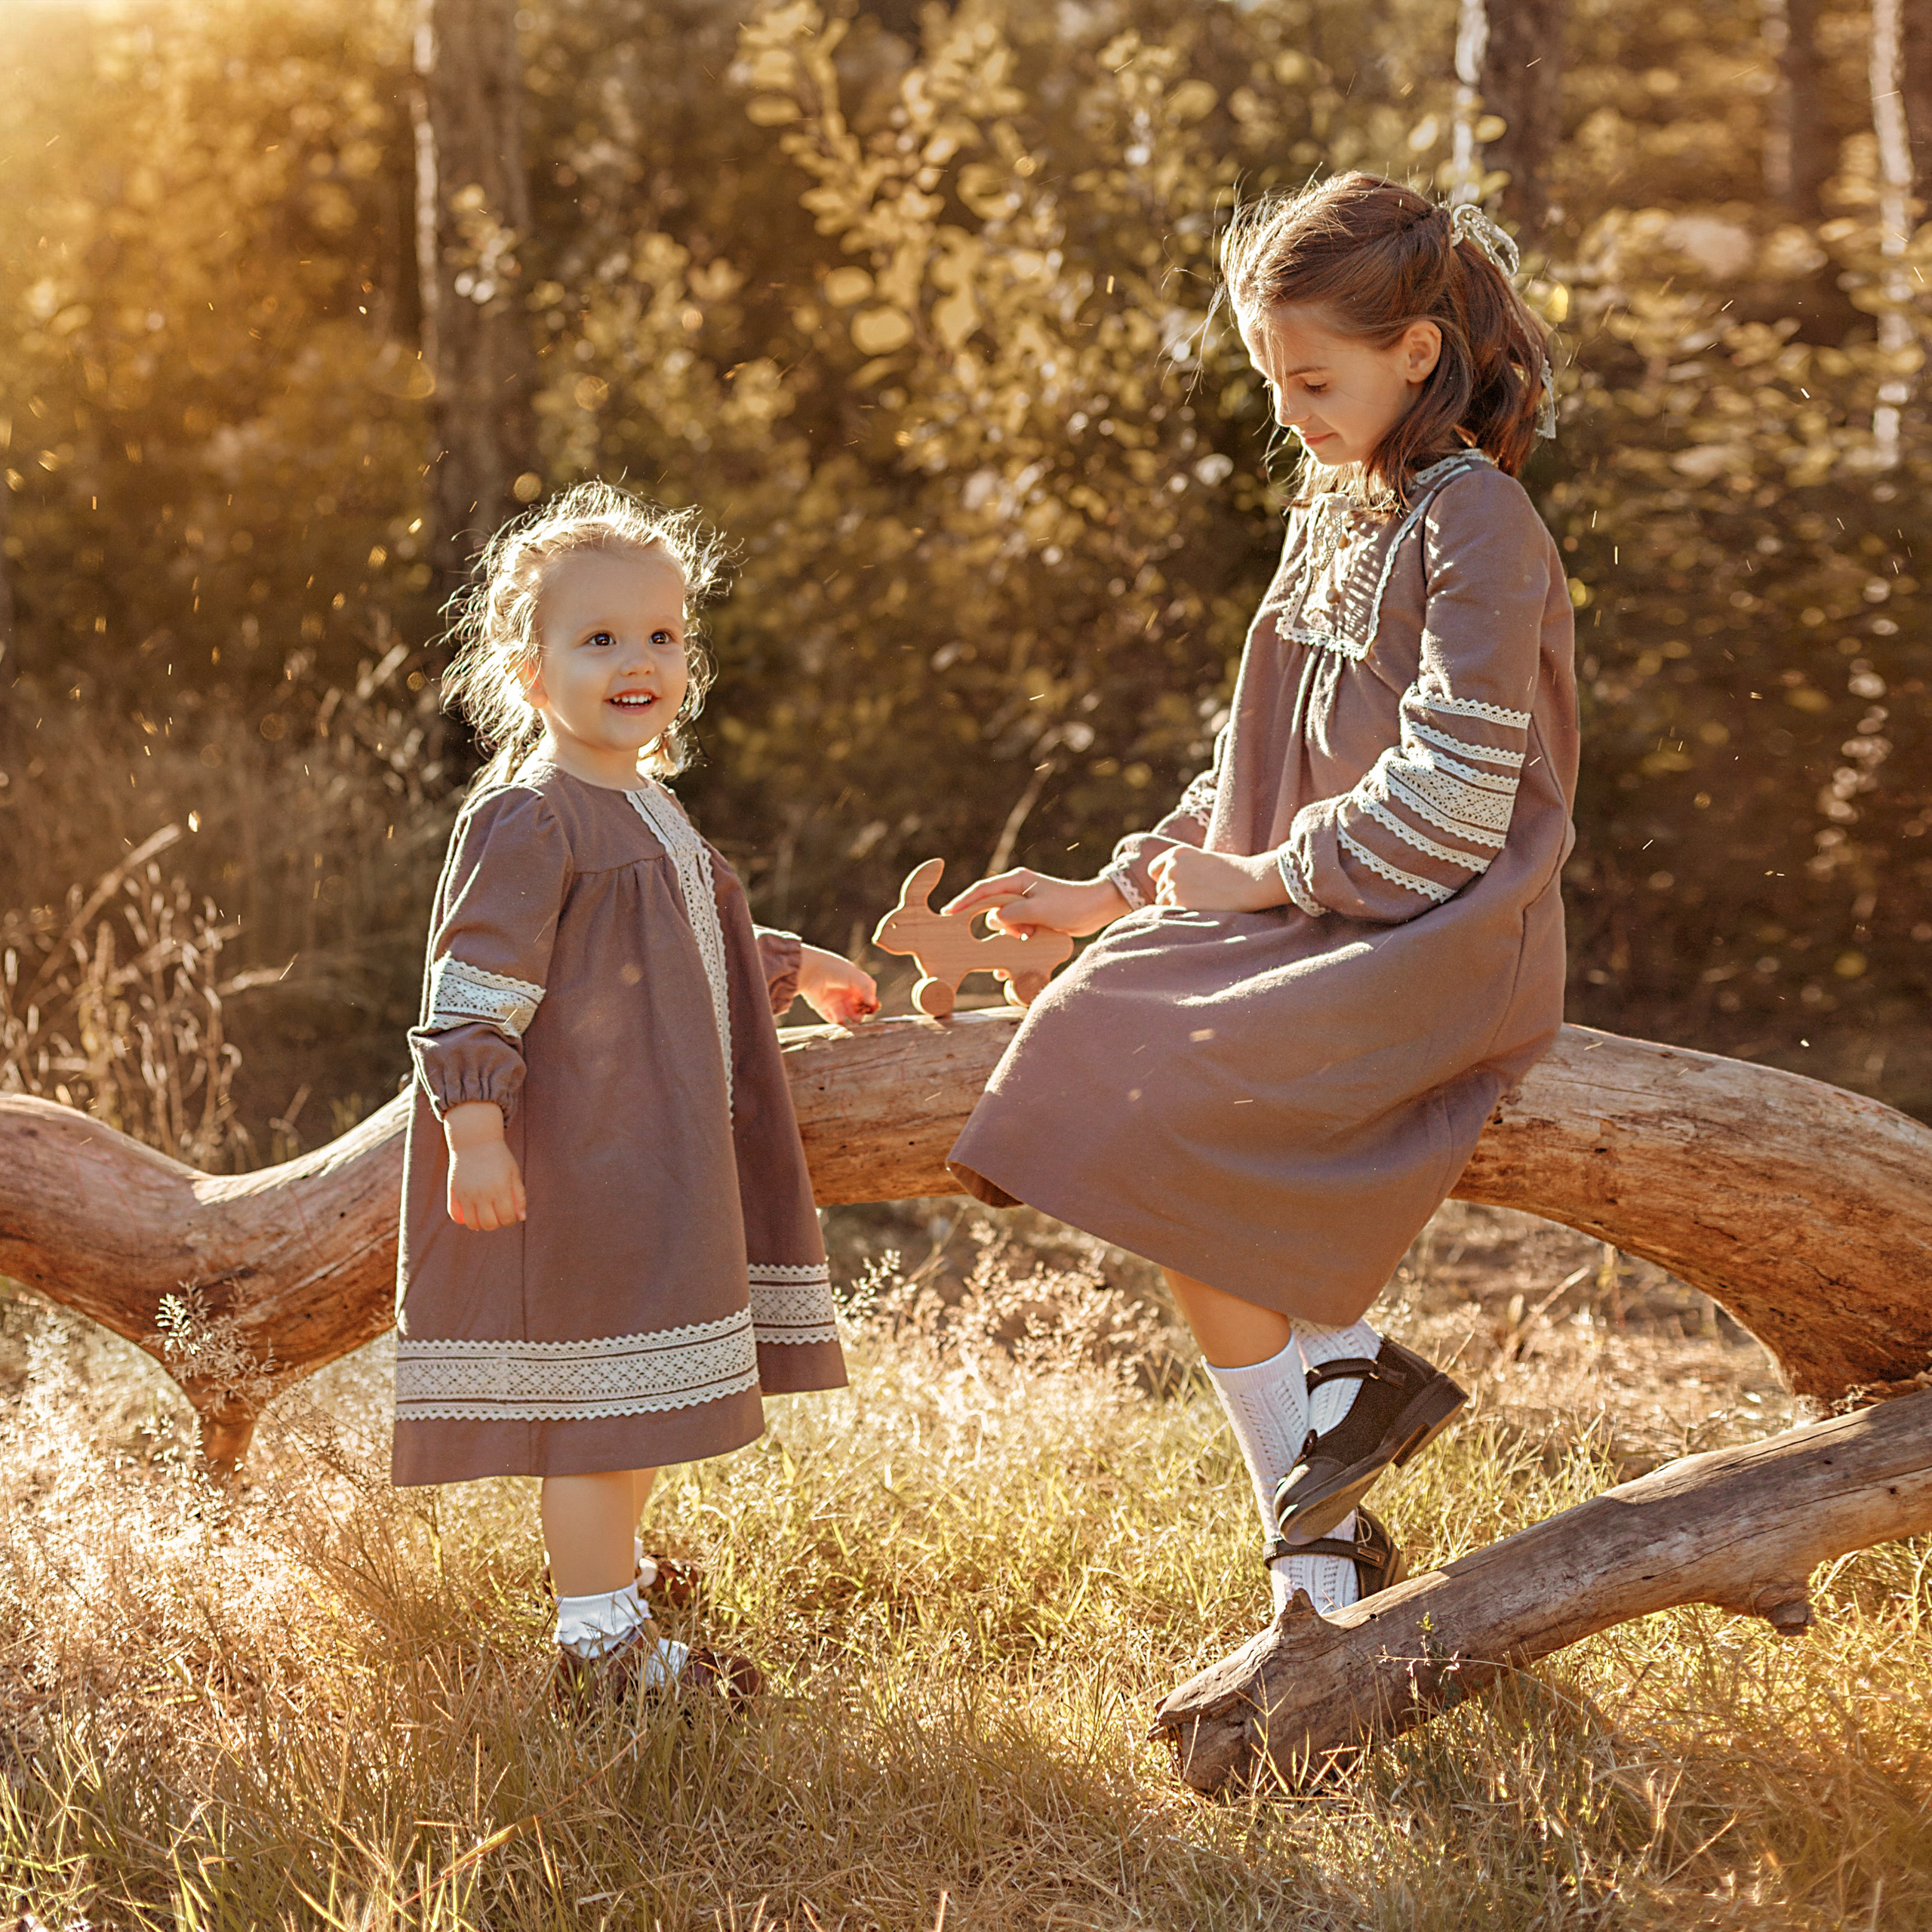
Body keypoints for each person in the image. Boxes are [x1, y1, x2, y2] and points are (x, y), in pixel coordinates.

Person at [944, 175, 1577, 1620]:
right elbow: (1254, 769)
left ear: (1417, 352)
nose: (1289, 408)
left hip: (1437, 927)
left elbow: (1457, 801)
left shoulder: (1477, 527)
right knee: (1101, 1016)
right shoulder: (1332, 512)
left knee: (1143, 1068)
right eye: (1270, 378)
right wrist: (1113, 891)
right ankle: (1337, 1435)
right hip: (1308, 910)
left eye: (1313, 377)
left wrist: (1260, 880)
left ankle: (1324, 1497)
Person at [392, 481, 878, 1702]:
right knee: (599, 1418)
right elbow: (473, 990)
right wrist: (477, 1132)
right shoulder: (531, 816)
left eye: (662, 635)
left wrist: (796, 964)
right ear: (530, 665)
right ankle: (599, 1646)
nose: (639, 660)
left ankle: (620, 1580)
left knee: (644, 1399)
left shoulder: (648, 807)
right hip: (581, 1171)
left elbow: (684, 947)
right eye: (600, 638)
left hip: (659, 1165)